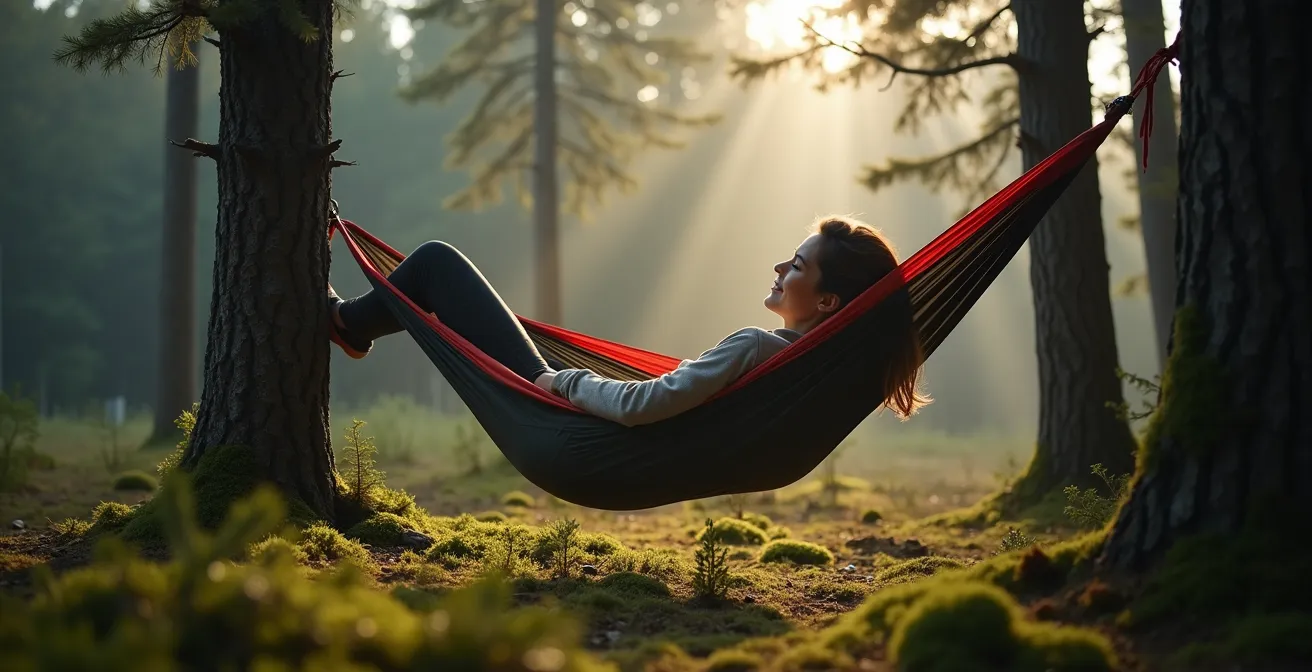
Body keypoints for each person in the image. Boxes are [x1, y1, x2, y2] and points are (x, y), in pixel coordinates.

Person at [329, 215, 930, 427]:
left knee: (436, 263)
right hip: (591, 432)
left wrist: (559, 381)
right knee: (442, 277)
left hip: (570, 430)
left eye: (797, 265)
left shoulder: (755, 348)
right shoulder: (822, 370)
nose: (779, 266)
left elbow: (643, 406)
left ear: (827, 302)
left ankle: (349, 326)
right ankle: (353, 326)